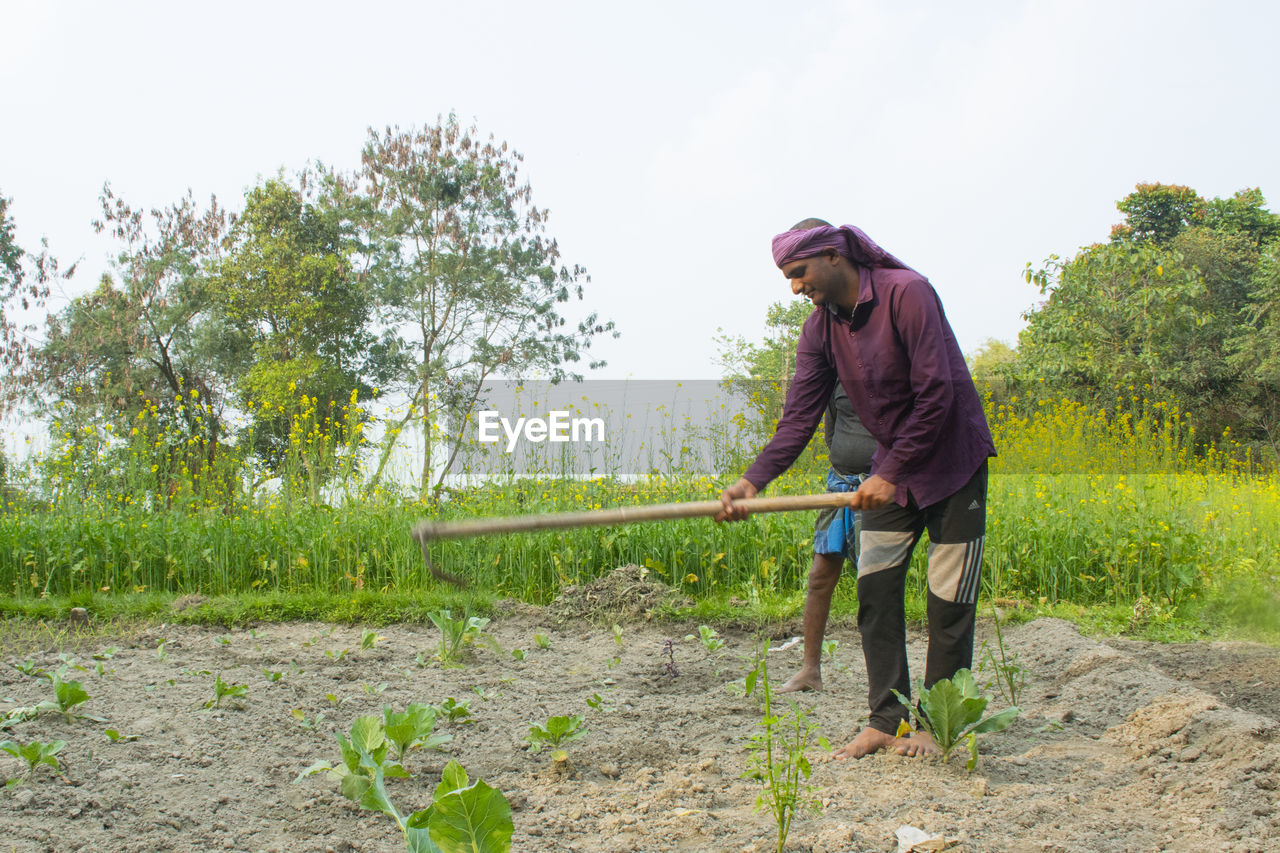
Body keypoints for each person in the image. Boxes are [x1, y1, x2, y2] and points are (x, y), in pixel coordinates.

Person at [717, 219, 995, 759]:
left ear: (834, 256)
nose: (796, 287)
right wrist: (753, 480)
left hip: (953, 465)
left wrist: (889, 472)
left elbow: (936, 394)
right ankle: (886, 720)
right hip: (890, 472)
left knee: (948, 599)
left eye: (799, 273)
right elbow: (797, 419)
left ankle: (937, 729)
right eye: (787, 278)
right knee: (875, 592)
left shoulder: (906, 294)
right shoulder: (819, 330)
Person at [777, 384, 875, 694]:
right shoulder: (835, 375)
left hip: (879, 486)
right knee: (820, 576)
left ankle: (882, 681)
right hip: (840, 482)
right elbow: (831, 428)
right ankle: (810, 670)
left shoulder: (891, 362)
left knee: (876, 584)